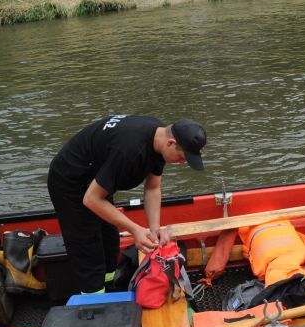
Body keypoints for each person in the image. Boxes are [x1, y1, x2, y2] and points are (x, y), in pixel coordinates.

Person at [47, 115, 207, 295]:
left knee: (110, 241)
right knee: (89, 250)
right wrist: (134, 229)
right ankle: (94, 301)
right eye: (183, 157)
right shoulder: (130, 150)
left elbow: (152, 188)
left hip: (97, 179)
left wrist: (154, 230)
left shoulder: (159, 139)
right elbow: (91, 199)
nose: (183, 163)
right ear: (171, 143)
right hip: (70, 181)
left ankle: (109, 288)